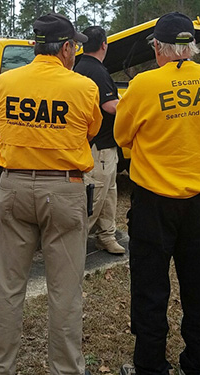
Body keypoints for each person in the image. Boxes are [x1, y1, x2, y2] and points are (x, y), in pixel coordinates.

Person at [0, 13, 102, 375]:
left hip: (14, 186)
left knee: (8, 286)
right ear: (66, 48)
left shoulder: (5, 82)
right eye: (75, 47)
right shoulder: (83, 87)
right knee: (65, 291)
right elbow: (89, 131)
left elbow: (0, 131)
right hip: (64, 189)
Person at [113, 12, 200, 375]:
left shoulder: (144, 84)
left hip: (155, 200)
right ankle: (197, 368)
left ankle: (150, 373)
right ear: (191, 46)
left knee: (150, 286)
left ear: (158, 48)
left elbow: (122, 134)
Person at [73, 26, 126, 255]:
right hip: (99, 146)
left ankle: (106, 235)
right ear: (104, 45)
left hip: (102, 144)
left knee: (109, 193)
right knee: (94, 196)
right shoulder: (96, 71)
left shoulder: (79, 66)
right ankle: (73, 242)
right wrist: (134, 105)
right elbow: (110, 106)